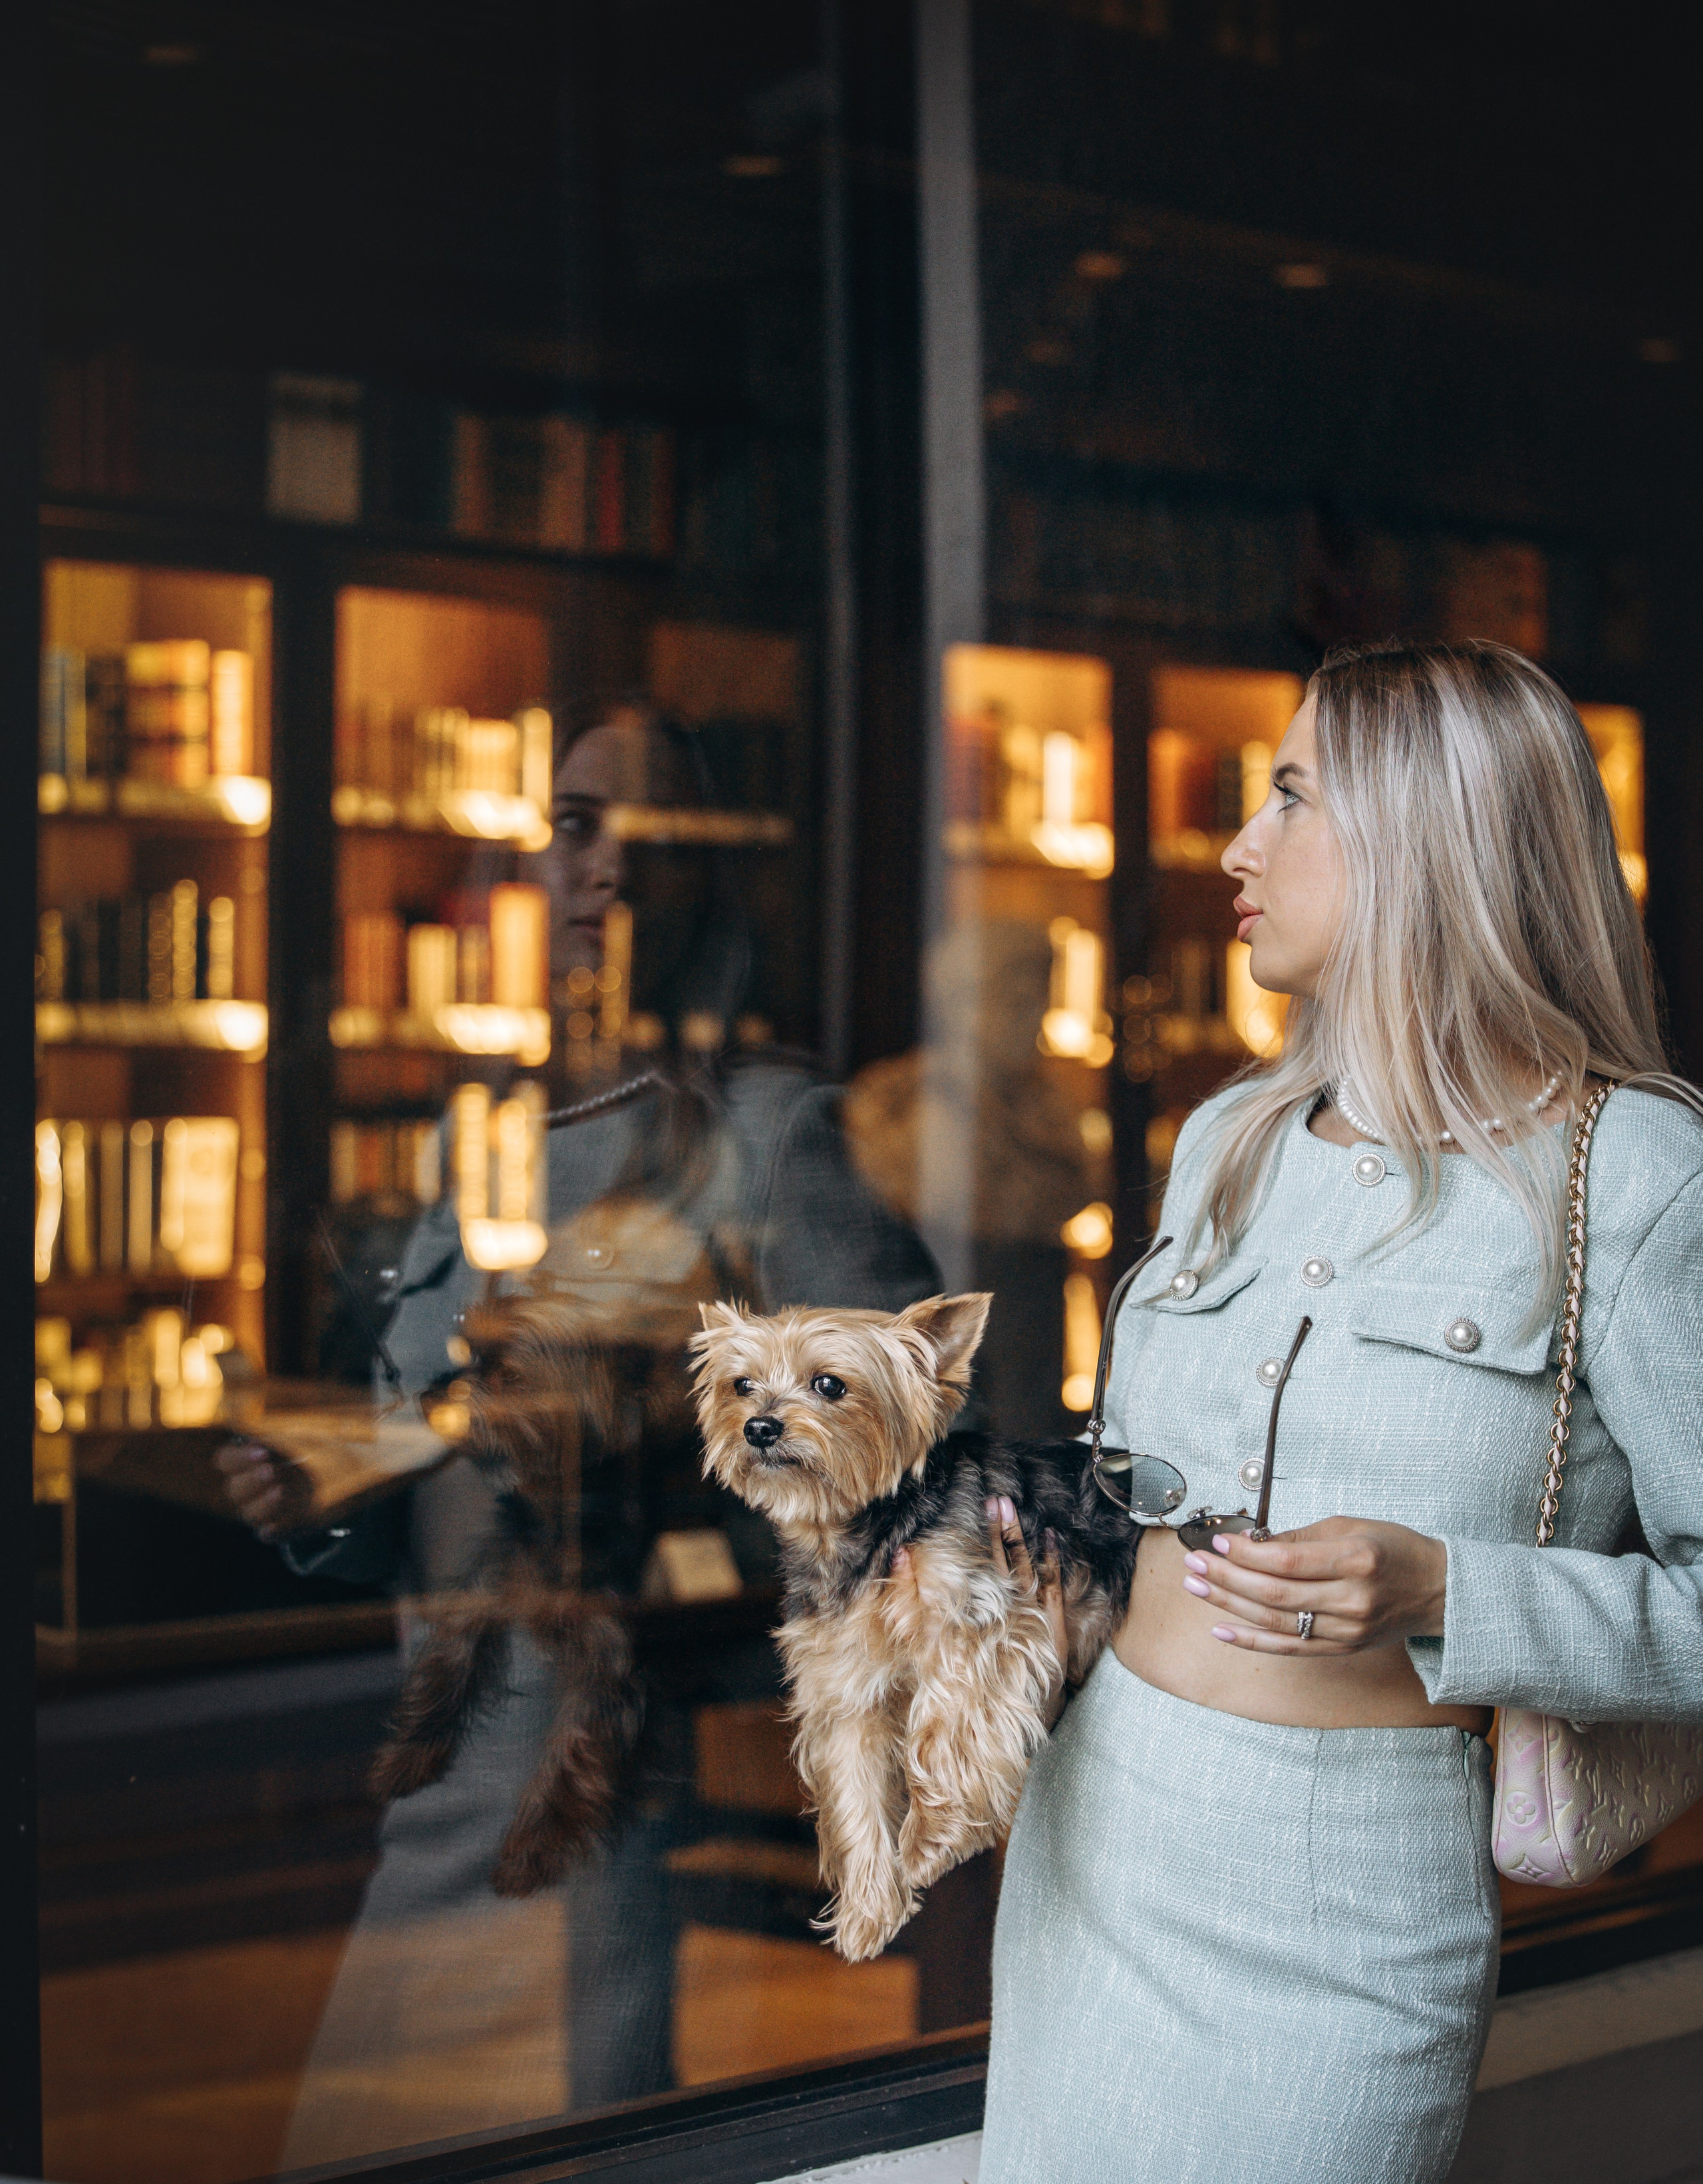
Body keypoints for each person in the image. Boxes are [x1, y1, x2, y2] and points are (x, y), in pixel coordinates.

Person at [979, 641, 1703, 2184]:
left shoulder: (1633, 1173)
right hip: (1093, 1825)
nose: (1240, 846)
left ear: (1429, 835)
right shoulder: (1228, 1132)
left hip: (1350, 1889)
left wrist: (1454, 1591)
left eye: (1291, 795)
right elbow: (1134, 1499)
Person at [220, 702, 941, 2163]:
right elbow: (417, 1424)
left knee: (574, 2132)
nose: (597, 865)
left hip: (613, 1754)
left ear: (704, 876)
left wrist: (653, 1442)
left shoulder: (773, 1130)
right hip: (438, 1748)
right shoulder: (479, 1131)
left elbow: (905, 1449)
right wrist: (322, 1484)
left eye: (639, 832)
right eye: (570, 826)